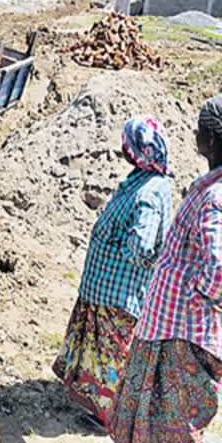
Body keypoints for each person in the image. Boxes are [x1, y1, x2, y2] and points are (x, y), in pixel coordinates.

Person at [108, 96, 222, 443]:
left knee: (163, 436)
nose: (194, 132)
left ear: (213, 140)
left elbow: (219, 273)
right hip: (168, 329)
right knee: (148, 428)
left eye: (200, 128)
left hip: (179, 337)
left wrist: (188, 291)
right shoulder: (211, 187)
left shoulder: (217, 197)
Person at [52, 116, 173, 427]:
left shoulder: (148, 193)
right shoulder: (147, 178)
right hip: (105, 291)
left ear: (136, 151)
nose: (123, 148)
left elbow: (144, 247)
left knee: (111, 359)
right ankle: (98, 405)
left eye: (127, 144)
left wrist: (116, 245)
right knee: (101, 355)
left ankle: (108, 416)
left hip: (117, 294)